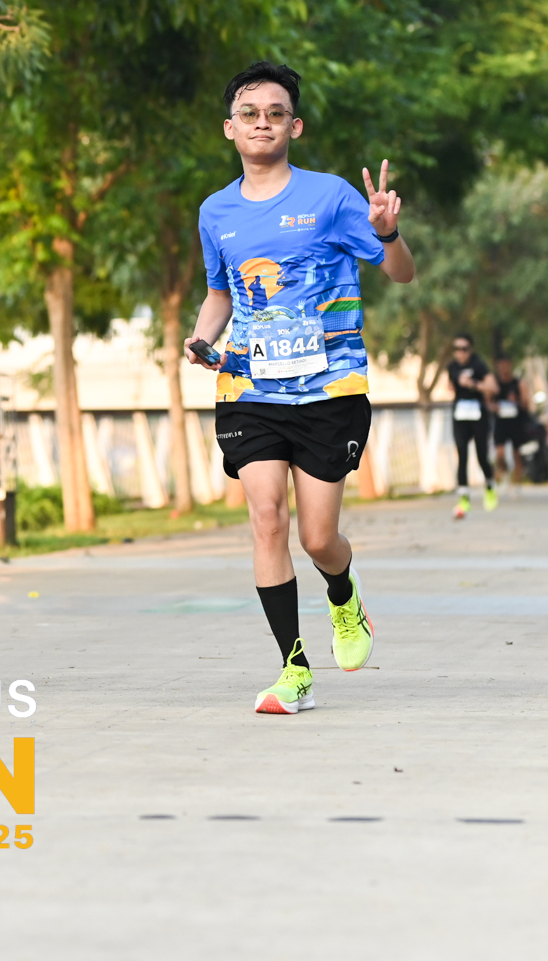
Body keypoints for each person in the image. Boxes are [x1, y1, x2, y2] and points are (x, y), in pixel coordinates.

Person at [186, 61, 415, 715]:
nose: (262, 122)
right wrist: (201, 337)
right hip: (249, 388)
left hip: (329, 389)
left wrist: (387, 232)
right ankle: (293, 668)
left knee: (318, 538)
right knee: (266, 518)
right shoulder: (215, 212)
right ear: (230, 128)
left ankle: (344, 595)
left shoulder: (332, 197)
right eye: (249, 113)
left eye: (276, 113)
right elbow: (220, 293)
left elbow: (401, 273)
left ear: (296, 126)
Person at [446, 335, 497, 517]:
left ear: (471, 349)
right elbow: (450, 385)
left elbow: (493, 387)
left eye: (464, 349)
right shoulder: (452, 367)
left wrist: (473, 384)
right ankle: (464, 498)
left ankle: (490, 484)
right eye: (457, 349)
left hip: (478, 414)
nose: (460, 353)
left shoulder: (479, 365)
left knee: (482, 454)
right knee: (462, 454)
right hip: (460, 414)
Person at [490, 355, 531, 485]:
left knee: (517, 454)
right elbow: (488, 402)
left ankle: (516, 484)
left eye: (505, 365)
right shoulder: (495, 384)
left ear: (510, 365)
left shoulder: (519, 383)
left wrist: (516, 401)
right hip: (500, 422)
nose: (503, 368)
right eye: (500, 366)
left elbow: (526, 404)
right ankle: (505, 471)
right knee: (499, 454)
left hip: (516, 422)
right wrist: (494, 407)